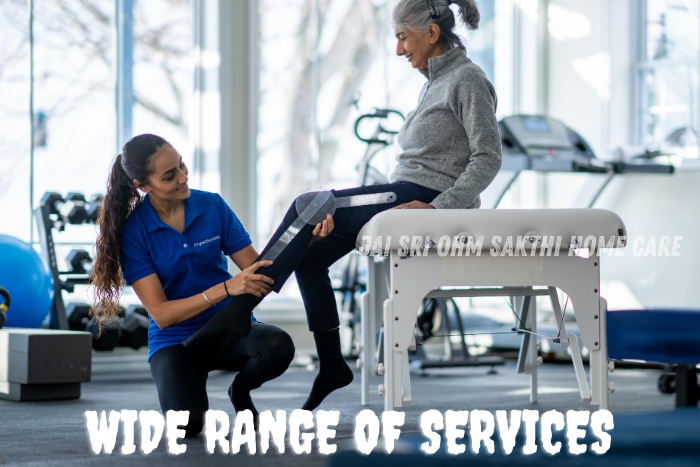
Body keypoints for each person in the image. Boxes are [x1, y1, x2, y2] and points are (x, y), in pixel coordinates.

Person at [184, 0, 502, 412]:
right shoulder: (433, 82)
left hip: (418, 197)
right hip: (403, 192)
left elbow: (488, 157)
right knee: (310, 256)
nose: (399, 50)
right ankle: (333, 365)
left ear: (432, 33)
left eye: (402, 37)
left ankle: (240, 308)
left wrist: (441, 208)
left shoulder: (468, 79)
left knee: (309, 202)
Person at [90, 134, 334, 437]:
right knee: (187, 427)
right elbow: (162, 315)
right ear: (142, 186)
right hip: (176, 341)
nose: (182, 178)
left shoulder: (211, 205)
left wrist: (307, 240)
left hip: (228, 327)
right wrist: (227, 288)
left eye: (181, 166)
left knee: (276, 346)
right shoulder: (134, 232)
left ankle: (240, 392)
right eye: (169, 176)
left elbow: (260, 269)